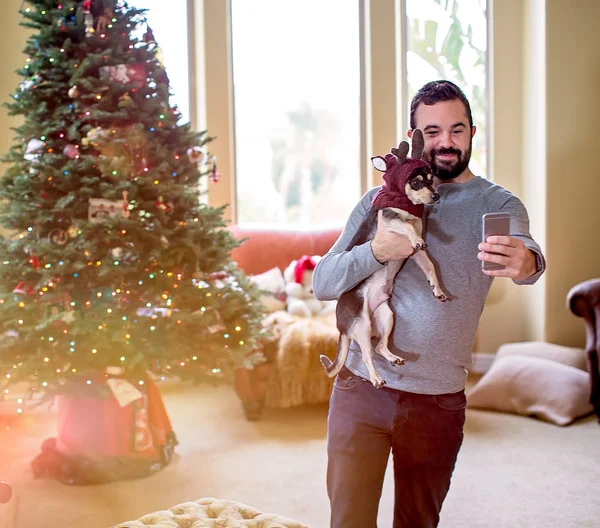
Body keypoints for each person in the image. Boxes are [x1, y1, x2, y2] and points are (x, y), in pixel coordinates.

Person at [312, 80, 546, 528]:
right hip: (360, 388)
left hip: (436, 402)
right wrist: (377, 251)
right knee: (348, 520)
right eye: (432, 131)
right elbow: (323, 281)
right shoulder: (379, 202)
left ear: (473, 133)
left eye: (457, 130)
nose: (445, 143)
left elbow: (526, 254)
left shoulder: (497, 203)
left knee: (418, 522)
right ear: (415, 136)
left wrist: (524, 260)